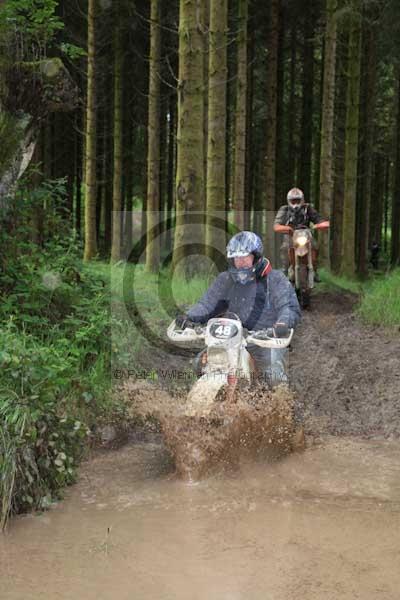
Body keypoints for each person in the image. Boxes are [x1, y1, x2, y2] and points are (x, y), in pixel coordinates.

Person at [175, 231, 301, 387]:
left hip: (264, 340)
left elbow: (288, 306)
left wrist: (282, 323)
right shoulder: (225, 279)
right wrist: (189, 317)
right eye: (236, 258)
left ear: (256, 257)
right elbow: (207, 304)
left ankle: (281, 406)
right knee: (200, 364)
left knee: (273, 375)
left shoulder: (275, 279)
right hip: (229, 338)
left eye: (245, 257)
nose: (240, 262)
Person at [273, 188, 330, 282]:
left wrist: (318, 225)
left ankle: (314, 270)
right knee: (285, 247)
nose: (295, 203)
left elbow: (320, 220)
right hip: (290, 234)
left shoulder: (308, 208)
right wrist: (286, 228)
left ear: (302, 200)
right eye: (293, 201)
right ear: (289, 201)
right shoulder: (284, 209)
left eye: (298, 200)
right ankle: (285, 270)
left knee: (315, 246)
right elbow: (276, 226)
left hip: (306, 234)